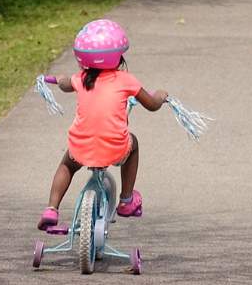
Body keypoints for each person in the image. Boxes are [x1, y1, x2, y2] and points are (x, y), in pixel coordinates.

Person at [38, 19, 170, 230]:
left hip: (80, 148)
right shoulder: (126, 80)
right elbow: (152, 105)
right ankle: (126, 200)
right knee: (133, 143)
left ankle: (51, 209)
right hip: (115, 148)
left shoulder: (80, 78)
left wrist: (58, 79)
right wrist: (161, 96)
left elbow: (64, 84)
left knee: (67, 165)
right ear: (118, 56)